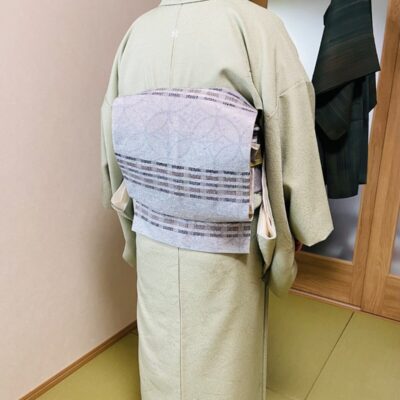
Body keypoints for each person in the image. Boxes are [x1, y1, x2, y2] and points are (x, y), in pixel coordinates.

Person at [100, 1, 333, 398]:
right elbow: (290, 117)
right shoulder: (254, 25)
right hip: (228, 244)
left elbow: (111, 144)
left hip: (155, 229)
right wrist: (299, 218)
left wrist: (131, 213)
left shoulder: (136, 34)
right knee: (226, 359)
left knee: (161, 343)